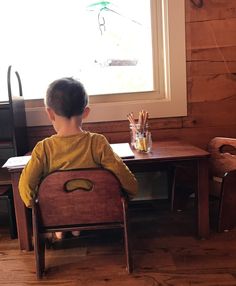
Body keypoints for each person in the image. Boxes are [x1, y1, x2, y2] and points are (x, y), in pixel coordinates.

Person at [18, 77, 138, 239]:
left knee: (55, 199)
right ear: (86, 112)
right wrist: (129, 193)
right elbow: (125, 177)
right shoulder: (98, 143)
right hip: (95, 210)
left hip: (58, 211)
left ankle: (63, 226)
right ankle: (78, 225)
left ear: (49, 113)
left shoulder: (43, 149)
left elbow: (26, 187)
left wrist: (35, 204)